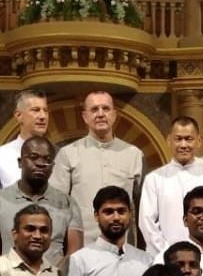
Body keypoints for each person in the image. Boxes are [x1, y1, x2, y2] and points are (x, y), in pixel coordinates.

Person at [49, 90, 144, 245]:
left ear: (114, 114)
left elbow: (141, 208)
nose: (100, 114)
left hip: (122, 247)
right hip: (81, 246)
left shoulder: (133, 154)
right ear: (85, 117)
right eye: (94, 109)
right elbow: (56, 205)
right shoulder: (68, 153)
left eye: (105, 108)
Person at [0, 135, 82, 267]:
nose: (40, 163)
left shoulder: (67, 203)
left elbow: (74, 252)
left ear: (53, 166)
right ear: (20, 162)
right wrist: (8, 275)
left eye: (47, 160)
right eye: (33, 157)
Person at [139, 117, 203, 257]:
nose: (183, 145)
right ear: (169, 141)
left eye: (189, 139)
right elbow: (147, 222)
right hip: (164, 257)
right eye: (178, 139)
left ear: (199, 141)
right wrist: (166, 254)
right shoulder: (154, 179)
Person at [0, 205, 65, 276]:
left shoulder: (57, 274)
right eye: (30, 229)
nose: (37, 236)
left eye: (44, 230)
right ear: (15, 234)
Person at [0, 90, 51, 190]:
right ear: (18, 115)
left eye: (45, 110)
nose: (43, 116)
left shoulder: (59, 156)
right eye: (36, 110)